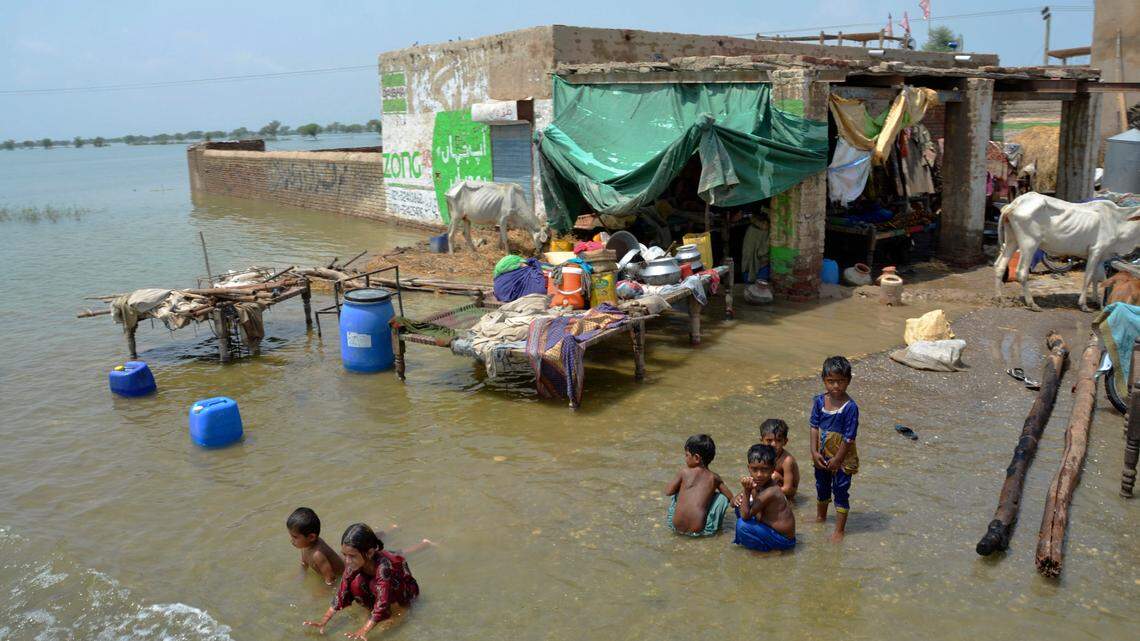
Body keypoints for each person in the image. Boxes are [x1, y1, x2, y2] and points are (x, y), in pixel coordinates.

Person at [304, 524, 420, 639]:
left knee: (377, 589)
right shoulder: (354, 563)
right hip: (377, 583)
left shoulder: (384, 567)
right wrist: (324, 620)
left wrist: (364, 630)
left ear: (369, 553)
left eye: (352, 556)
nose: (347, 561)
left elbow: (382, 602)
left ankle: (400, 612)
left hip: (402, 587)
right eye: (345, 555)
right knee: (356, 584)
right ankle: (372, 612)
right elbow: (342, 592)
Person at [810, 355, 861, 543]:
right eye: (831, 381)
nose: (836, 386)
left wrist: (838, 459)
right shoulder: (819, 401)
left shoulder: (850, 407)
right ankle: (821, 517)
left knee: (840, 490)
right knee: (821, 486)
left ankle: (839, 530)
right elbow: (814, 427)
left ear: (848, 381)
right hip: (823, 454)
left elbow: (849, 437)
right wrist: (814, 452)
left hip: (843, 458)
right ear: (824, 380)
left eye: (841, 381)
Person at [664, 434, 734, 536]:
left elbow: (668, 492)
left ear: (696, 458)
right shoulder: (714, 478)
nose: (685, 458)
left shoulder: (684, 472)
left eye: (687, 455)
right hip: (698, 531)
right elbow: (731, 499)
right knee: (722, 498)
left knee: (677, 493)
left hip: (675, 526)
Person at [733, 444, 796, 552]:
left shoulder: (771, 491)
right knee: (739, 505)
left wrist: (746, 491)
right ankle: (762, 543)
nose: (759, 475)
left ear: (773, 469)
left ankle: (765, 551)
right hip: (771, 530)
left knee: (742, 525)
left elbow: (745, 516)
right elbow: (733, 503)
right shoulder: (759, 484)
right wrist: (736, 499)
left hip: (784, 540)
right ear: (749, 468)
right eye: (754, 469)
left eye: (764, 470)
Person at [287, 507, 344, 585]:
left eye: (295, 537)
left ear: (311, 537)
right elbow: (304, 563)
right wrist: (302, 575)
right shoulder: (305, 546)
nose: (291, 540)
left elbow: (330, 577)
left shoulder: (317, 555)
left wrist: (325, 590)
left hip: (341, 574)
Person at [760, 419, 799, 499]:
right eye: (769, 440)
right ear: (762, 441)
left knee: (774, 476)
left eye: (778, 440)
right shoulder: (763, 456)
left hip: (787, 498)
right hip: (772, 492)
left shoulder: (787, 461)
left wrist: (765, 493)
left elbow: (788, 490)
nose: (773, 444)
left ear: (785, 442)